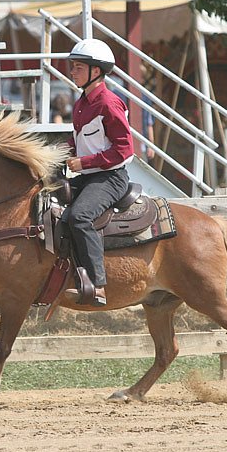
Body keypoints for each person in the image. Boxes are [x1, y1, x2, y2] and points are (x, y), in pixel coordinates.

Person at [62, 39, 134, 307]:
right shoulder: (82, 102)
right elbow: (79, 140)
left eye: (78, 67)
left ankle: (98, 285)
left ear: (96, 71)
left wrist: (85, 162)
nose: (72, 71)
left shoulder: (110, 103)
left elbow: (125, 151)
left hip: (110, 178)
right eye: (73, 67)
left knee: (80, 216)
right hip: (89, 175)